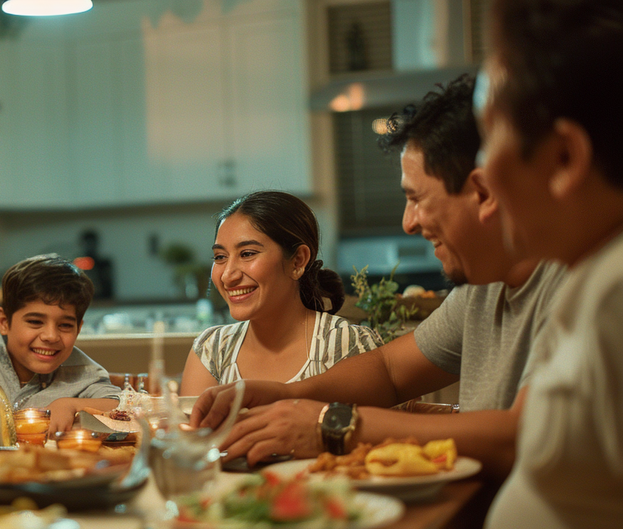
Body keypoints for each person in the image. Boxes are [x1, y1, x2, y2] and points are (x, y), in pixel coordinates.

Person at [191, 74, 567, 479]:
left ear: (483, 191)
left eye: (416, 198)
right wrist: (287, 395)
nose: (408, 223)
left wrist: (330, 425)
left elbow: (523, 437)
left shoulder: (572, 285)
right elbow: (388, 371)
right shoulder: (483, 289)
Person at [472, 1, 623, 529]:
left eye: (487, 138)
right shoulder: (590, 277)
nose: (480, 173)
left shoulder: (617, 291)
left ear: (564, 158)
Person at [181, 191, 383, 396]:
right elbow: (193, 427)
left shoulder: (346, 344)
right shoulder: (212, 350)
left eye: (247, 254)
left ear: (298, 261)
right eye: (220, 257)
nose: (227, 276)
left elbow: (369, 425)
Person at [0, 254, 121, 434]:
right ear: (4, 322)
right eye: (35, 322)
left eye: (65, 325)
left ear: (78, 328)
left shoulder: (82, 372)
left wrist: (70, 405)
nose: (51, 336)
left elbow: (123, 406)